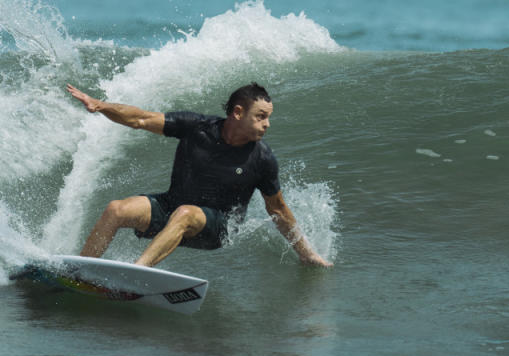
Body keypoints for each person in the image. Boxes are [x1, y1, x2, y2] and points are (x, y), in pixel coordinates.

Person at [65, 82, 332, 268]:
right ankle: (79, 271)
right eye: (261, 116)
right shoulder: (197, 127)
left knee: (186, 214)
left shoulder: (262, 158)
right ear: (238, 113)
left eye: (268, 117)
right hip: (174, 206)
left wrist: (307, 254)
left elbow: (279, 210)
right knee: (116, 209)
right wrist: (100, 105)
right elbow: (141, 119)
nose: (267, 124)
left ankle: (137, 272)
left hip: (220, 227)